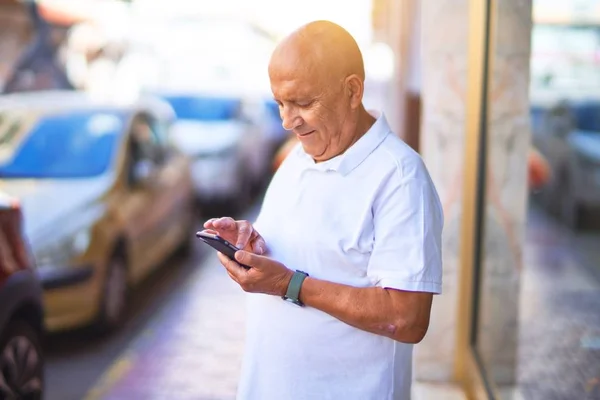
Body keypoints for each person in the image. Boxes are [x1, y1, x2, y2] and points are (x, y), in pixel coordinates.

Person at [202, 20, 443, 400]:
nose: (287, 120)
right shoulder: (299, 156)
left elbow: (407, 318)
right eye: (280, 103)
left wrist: (288, 284)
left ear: (352, 90)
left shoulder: (400, 177)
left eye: (302, 102)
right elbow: (304, 248)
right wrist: (253, 243)